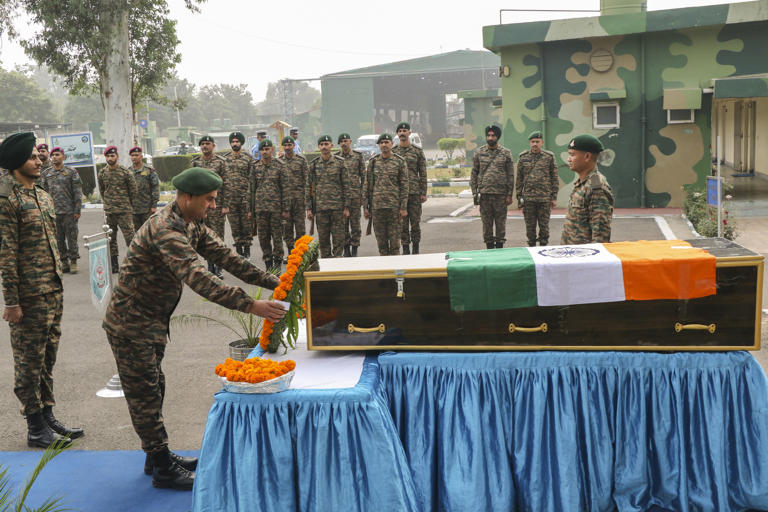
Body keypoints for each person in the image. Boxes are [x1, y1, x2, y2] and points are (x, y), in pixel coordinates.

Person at [102, 167, 285, 490]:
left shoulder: (190, 223)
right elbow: (199, 277)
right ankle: (162, 467)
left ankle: (156, 454)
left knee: (154, 386)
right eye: (209, 200)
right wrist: (253, 305)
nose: (213, 206)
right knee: (145, 392)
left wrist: (278, 282)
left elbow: (228, 258)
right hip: (131, 323)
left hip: (151, 320)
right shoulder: (166, 231)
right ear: (187, 197)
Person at [0, 132, 83, 449]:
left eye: (39, 155)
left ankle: (48, 415)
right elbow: (7, 255)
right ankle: (35, 427)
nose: (39, 160)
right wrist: (12, 302)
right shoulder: (8, 201)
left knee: (47, 358)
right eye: (33, 157)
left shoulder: (43, 196)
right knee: (28, 361)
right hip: (28, 297)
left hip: (52, 290)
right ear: (16, 163)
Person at [561, 134, 614, 245]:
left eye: (572, 155)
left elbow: (600, 234)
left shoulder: (596, 187)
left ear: (587, 157)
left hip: (583, 257)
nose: (568, 159)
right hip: (572, 254)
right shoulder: (584, 182)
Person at [470, 125, 514, 249]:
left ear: (497, 137)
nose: (490, 137)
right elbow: (474, 172)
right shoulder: (479, 152)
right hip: (484, 195)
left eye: (493, 135)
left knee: (500, 224)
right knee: (486, 225)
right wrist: (475, 192)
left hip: (500, 195)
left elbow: (510, 175)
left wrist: (509, 194)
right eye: (488, 135)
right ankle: (489, 249)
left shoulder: (506, 153)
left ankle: (499, 249)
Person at [364, 133, 408, 256]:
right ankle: (385, 273)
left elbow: (404, 185)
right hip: (377, 208)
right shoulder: (373, 162)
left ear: (392, 144)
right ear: (378, 145)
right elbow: (367, 186)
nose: (384, 145)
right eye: (381, 143)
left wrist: (403, 207)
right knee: (381, 245)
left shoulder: (399, 162)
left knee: (394, 245)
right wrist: (366, 207)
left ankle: (395, 272)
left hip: (394, 208)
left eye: (386, 142)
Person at [306, 135, 350, 258]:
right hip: (321, 209)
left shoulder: (340, 163)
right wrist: (309, 209)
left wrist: (347, 207)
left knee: (338, 239)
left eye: (327, 144)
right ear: (319, 147)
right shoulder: (314, 165)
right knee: (323, 240)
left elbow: (346, 185)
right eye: (322, 144)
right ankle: (326, 267)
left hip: (337, 208)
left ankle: (337, 267)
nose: (324, 147)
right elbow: (308, 187)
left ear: (331, 145)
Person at [41, 147, 83, 274]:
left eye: (57, 154)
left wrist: (77, 210)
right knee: (58, 239)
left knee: (72, 238)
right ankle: (63, 261)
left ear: (63, 157)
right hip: (53, 213)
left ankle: (73, 261)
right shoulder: (47, 173)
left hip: (69, 212)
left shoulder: (71, 172)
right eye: (53, 155)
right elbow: (44, 193)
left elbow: (77, 193)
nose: (54, 157)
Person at [191, 135, 228, 277]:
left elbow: (227, 185)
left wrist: (225, 205)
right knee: (202, 236)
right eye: (202, 144)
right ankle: (210, 265)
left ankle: (219, 267)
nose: (205, 146)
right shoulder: (195, 163)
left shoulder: (220, 163)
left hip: (216, 206)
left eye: (207, 143)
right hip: (201, 207)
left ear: (213, 145)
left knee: (217, 237)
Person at [98, 146, 137, 272]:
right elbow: (102, 190)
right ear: (106, 158)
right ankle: (114, 264)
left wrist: (126, 204)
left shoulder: (126, 173)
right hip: (110, 211)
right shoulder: (102, 173)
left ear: (117, 157)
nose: (110, 158)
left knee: (130, 237)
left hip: (124, 211)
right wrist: (108, 203)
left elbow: (133, 192)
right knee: (110, 238)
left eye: (112, 156)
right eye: (108, 156)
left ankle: (134, 262)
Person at [516, 131, 558, 247]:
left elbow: (554, 177)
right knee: (530, 227)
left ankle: (543, 248)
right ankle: (532, 248)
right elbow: (519, 179)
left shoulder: (549, 157)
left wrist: (554, 197)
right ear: (530, 143)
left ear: (542, 143)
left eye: (537, 142)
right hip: (528, 199)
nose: (535, 144)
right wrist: (519, 197)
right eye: (533, 142)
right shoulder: (523, 157)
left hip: (544, 199)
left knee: (544, 227)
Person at [250, 139, 287, 270]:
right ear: (259, 151)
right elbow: (252, 189)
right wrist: (251, 210)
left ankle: (277, 264)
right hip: (260, 209)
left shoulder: (280, 165)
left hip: (276, 209)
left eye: (267, 149)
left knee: (277, 237)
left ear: (272, 150)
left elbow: (285, 188)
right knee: (263, 238)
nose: (264, 152)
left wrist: (285, 209)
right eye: (262, 149)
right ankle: (268, 264)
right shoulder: (255, 167)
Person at [393, 122, 427, 255]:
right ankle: (406, 250)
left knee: (415, 223)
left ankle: (416, 249)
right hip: (399, 194)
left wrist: (423, 192)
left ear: (409, 133)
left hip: (414, 193)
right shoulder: (394, 152)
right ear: (397, 134)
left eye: (404, 130)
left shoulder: (417, 151)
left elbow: (422, 173)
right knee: (402, 224)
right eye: (400, 130)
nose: (402, 132)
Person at [224, 132, 255, 258]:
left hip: (245, 199)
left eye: (237, 142)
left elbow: (252, 179)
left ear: (241, 143)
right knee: (235, 227)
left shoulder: (248, 158)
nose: (235, 144)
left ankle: (247, 252)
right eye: (233, 142)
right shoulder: (225, 159)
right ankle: (238, 253)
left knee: (246, 227)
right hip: (231, 199)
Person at [278, 136, 308, 259]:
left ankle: (300, 254)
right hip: (285, 202)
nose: (287, 148)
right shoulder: (279, 161)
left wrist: (306, 199)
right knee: (287, 229)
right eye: (285, 145)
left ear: (294, 146)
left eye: (290, 145)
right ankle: (291, 253)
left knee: (300, 229)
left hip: (299, 200)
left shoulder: (301, 160)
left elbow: (307, 180)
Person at [337, 133, 365, 257]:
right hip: (341, 198)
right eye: (341, 141)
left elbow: (364, 177)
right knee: (342, 225)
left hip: (355, 196)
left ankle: (355, 249)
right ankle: (346, 249)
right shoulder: (336, 158)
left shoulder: (358, 157)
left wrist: (362, 195)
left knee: (355, 224)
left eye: (346, 140)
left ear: (350, 141)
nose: (344, 143)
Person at [129, 146, 159, 230]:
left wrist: (154, 205)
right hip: (133, 209)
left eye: (136, 155)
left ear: (141, 157)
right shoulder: (128, 171)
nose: (134, 157)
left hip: (147, 209)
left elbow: (155, 188)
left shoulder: (149, 170)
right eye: (132, 155)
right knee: (136, 233)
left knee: (148, 231)